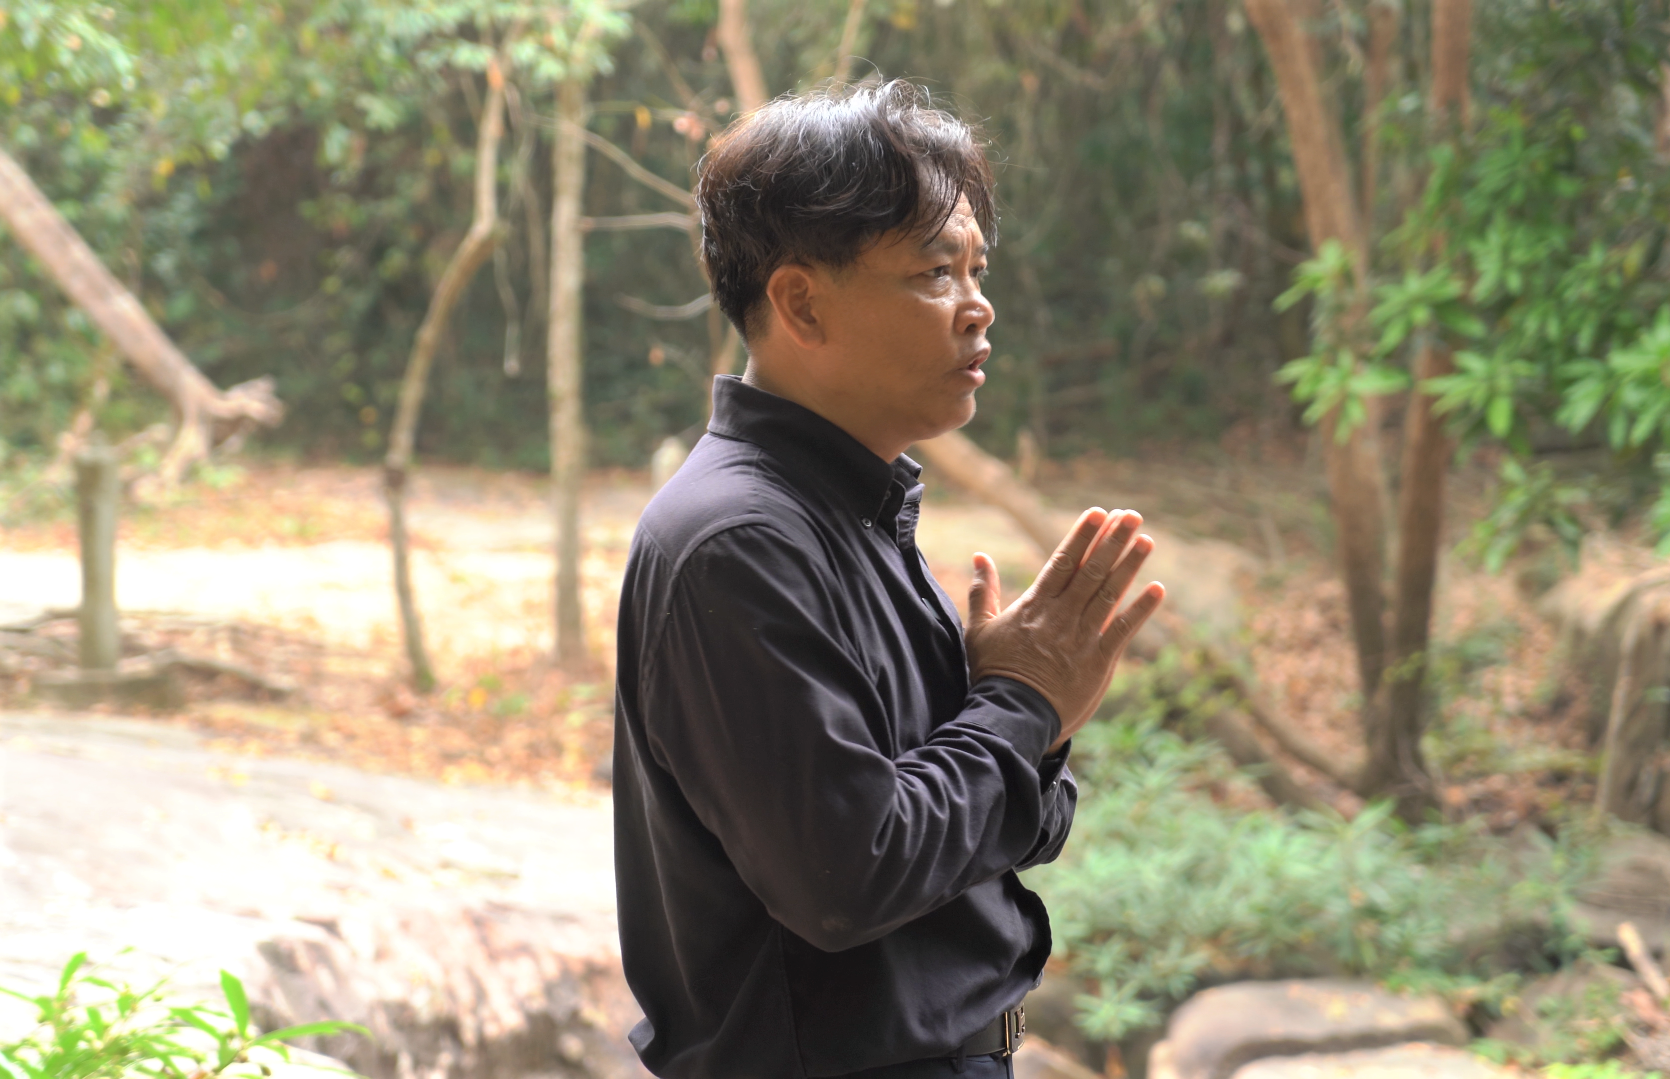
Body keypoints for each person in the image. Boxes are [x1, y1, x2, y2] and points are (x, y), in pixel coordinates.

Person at [611, 81, 1164, 1079]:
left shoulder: (849, 507)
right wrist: (1020, 704)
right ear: (801, 302)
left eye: (976, 269)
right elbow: (847, 875)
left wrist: (1034, 719)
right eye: (933, 271)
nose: (978, 305)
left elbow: (999, 836)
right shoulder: (738, 541)